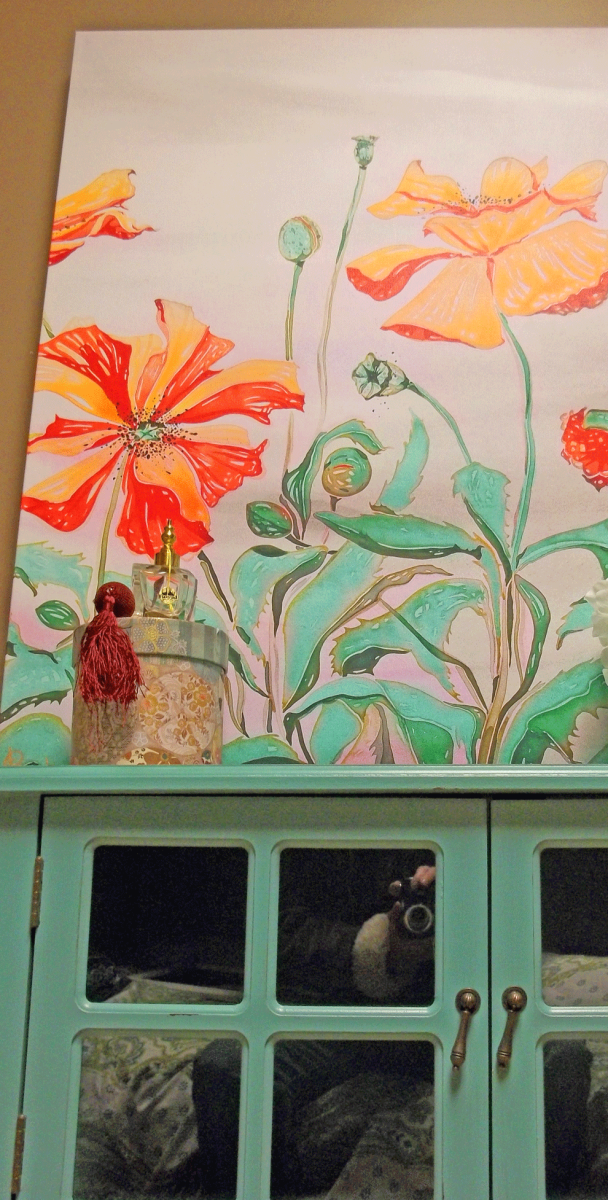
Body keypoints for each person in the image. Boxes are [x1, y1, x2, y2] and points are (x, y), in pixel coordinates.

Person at [192, 851, 437, 1197]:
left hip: (429, 1012)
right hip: (322, 1008)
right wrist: (378, 945)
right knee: (227, 1067)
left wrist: (452, 894)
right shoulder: (299, 836)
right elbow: (276, 929)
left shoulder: (452, 829)